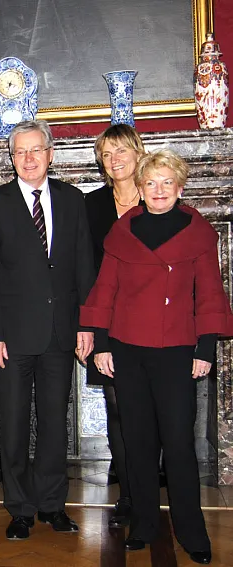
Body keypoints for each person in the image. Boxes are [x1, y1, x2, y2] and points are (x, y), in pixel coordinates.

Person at [81, 149, 230, 565]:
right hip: (128, 348)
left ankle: (191, 531)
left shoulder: (198, 233)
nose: (159, 190)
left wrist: (205, 349)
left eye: (167, 183)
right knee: (139, 442)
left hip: (178, 350)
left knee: (180, 444)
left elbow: (211, 293)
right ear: (140, 189)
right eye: (151, 183)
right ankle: (144, 524)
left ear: (179, 188)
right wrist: (103, 344)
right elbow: (104, 290)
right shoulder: (123, 231)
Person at [0, 120, 95, 540]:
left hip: (61, 335)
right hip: (9, 339)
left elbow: (84, 267)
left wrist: (87, 324)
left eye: (36, 150)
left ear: (50, 153)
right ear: (12, 159)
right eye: (20, 152)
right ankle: (20, 508)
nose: (28, 159)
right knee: (13, 424)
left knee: (55, 424)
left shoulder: (73, 199)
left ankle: (51, 504)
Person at [84, 124, 146, 527]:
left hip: (157, 326)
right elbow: (85, 272)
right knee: (119, 411)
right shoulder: (91, 206)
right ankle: (128, 494)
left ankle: (148, 487)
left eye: (122, 151)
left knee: (152, 412)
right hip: (110, 326)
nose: (115, 160)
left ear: (138, 152)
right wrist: (89, 329)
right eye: (107, 154)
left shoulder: (159, 196)